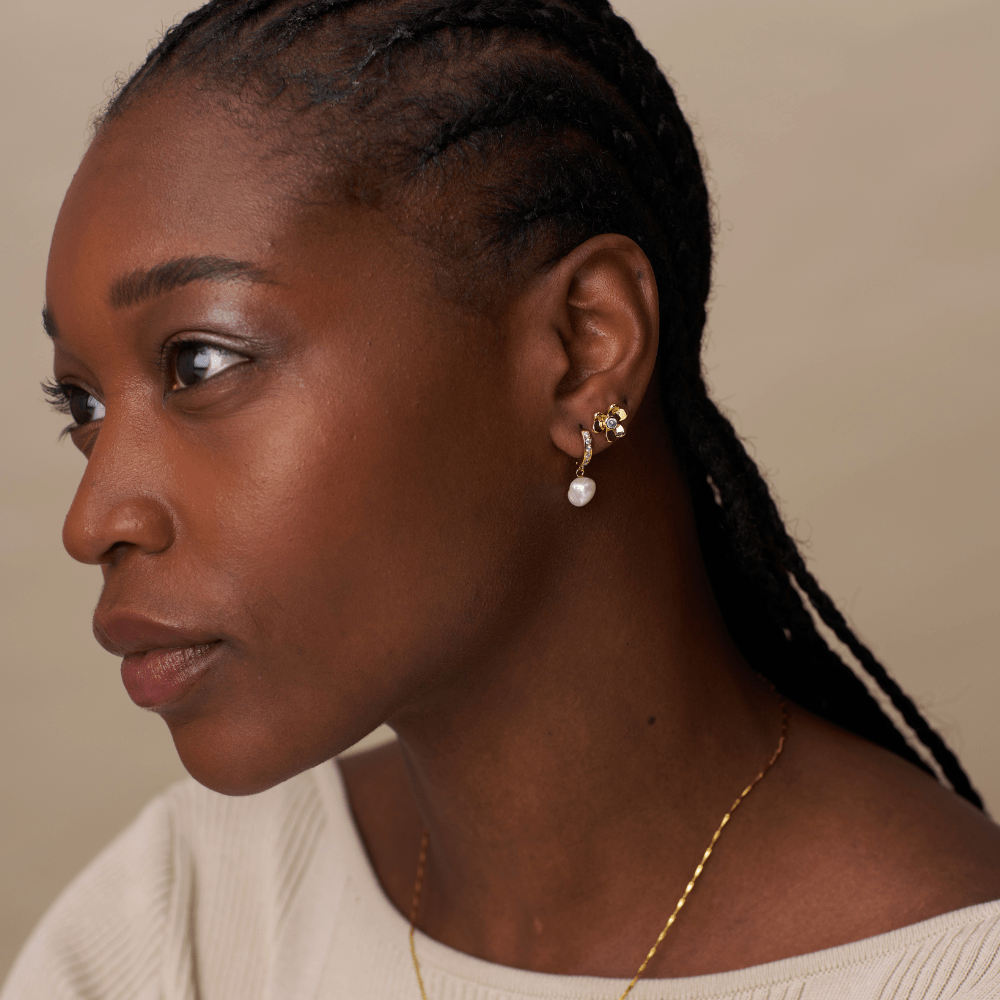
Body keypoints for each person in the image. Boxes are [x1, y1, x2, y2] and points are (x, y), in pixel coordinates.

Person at [4, 1, 1000, 997]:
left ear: (582, 348)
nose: (94, 520)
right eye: (81, 404)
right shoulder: (186, 920)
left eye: (200, 361)